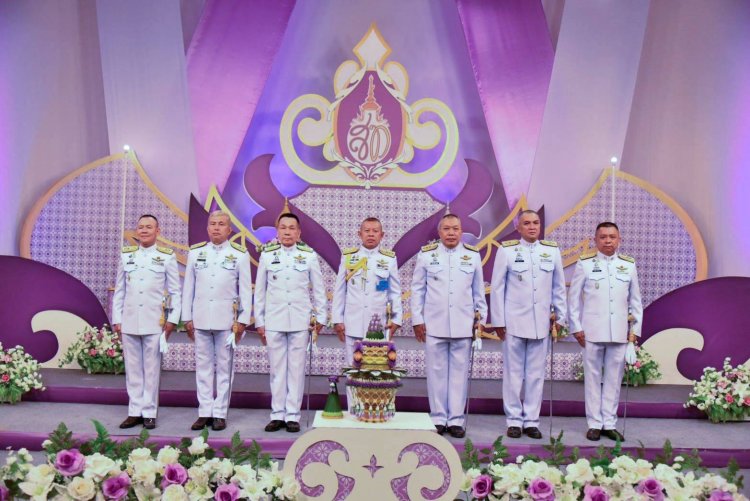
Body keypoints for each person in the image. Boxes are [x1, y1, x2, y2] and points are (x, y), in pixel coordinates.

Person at [490, 209, 566, 439]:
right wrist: (498, 320)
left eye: (536, 223)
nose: (532, 227)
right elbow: (497, 287)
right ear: (518, 227)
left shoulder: (551, 251)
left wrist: (560, 317)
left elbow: (558, 287)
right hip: (513, 322)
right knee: (513, 374)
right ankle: (514, 420)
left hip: (540, 323)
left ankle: (532, 421)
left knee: (535, 375)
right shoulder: (507, 250)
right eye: (527, 223)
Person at [411, 214, 487, 438]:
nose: (451, 233)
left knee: (458, 375)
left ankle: (455, 420)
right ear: (439, 232)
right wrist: (417, 319)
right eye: (446, 229)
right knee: (436, 373)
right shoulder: (427, 255)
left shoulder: (472, 256)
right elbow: (417, 289)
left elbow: (478, 291)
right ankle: (438, 417)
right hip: (434, 323)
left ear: (461, 231)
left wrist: (480, 320)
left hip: (463, 324)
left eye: (455, 228)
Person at [568, 222, 642, 442]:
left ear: (619, 240)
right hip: (591, 332)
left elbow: (636, 301)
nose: (608, 241)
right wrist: (576, 327)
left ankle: (609, 423)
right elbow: (573, 299)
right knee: (592, 379)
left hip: (619, 332)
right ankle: (594, 424)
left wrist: (634, 333)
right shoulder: (585, 264)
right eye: (603, 237)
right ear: (596, 240)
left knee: (613, 380)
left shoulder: (628, 265)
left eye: (612, 237)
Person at [254, 213, 327, 433]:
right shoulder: (267, 256)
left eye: (292, 228)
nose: (287, 232)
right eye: (283, 228)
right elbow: (260, 292)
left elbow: (319, 289)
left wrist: (321, 317)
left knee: (296, 369)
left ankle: (293, 415)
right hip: (274, 320)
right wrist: (259, 321)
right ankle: (277, 414)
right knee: (277, 370)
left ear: (298, 232)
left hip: (299, 320)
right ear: (277, 231)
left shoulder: (308, 256)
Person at [182, 210, 252, 431]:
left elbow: (245, 291)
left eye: (221, 224)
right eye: (213, 223)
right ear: (207, 228)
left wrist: (242, 320)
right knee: (202, 368)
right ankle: (204, 412)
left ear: (229, 229)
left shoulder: (239, 254)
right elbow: (188, 288)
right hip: (201, 318)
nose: (216, 227)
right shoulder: (196, 253)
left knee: (224, 368)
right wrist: (187, 317)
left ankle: (220, 413)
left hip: (227, 321)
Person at [112, 214, 181, 430]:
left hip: (154, 321)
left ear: (157, 231)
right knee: (132, 369)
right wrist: (117, 319)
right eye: (140, 227)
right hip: (130, 320)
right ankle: (134, 411)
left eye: (148, 227)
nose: (144, 230)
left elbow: (175, 292)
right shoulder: (127, 256)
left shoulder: (166, 257)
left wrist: (172, 320)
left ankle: (149, 412)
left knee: (151, 369)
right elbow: (120, 290)